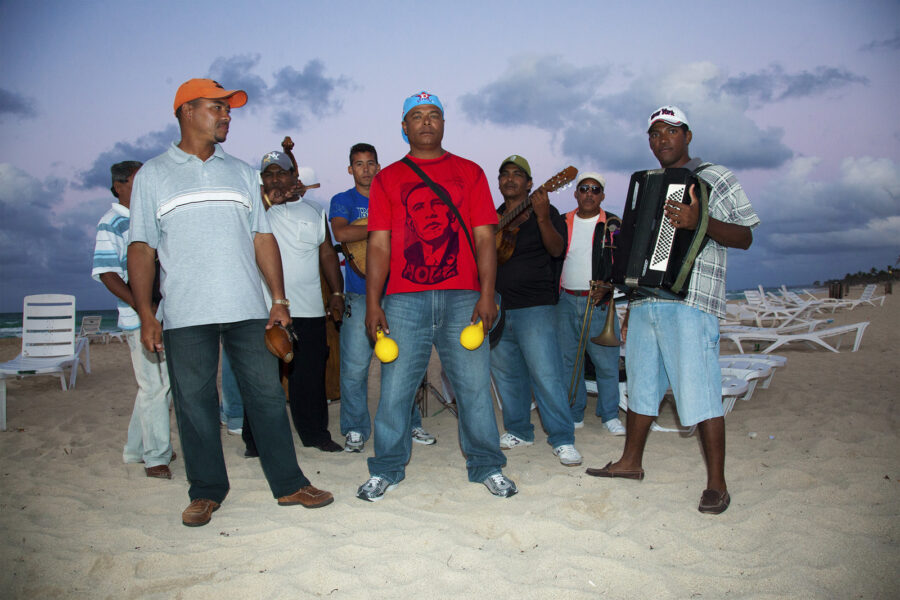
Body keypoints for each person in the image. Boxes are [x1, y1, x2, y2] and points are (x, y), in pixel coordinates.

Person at [127, 78, 333, 527]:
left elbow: (262, 237)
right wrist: (146, 313)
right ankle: (205, 492)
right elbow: (141, 247)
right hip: (185, 312)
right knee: (194, 404)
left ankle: (289, 483)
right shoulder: (154, 175)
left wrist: (278, 299)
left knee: (267, 397)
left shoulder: (241, 172)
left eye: (229, 109)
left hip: (248, 309)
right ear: (186, 111)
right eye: (217, 107)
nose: (227, 116)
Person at [586, 105, 759, 515]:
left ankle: (717, 484)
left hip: (691, 302)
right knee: (642, 386)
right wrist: (625, 290)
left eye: (670, 131)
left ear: (688, 135)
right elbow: (639, 249)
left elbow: (745, 237)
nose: (661, 140)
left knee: (700, 391)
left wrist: (701, 222)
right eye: (654, 133)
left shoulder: (716, 176)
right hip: (647, 301)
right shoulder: (646, 184)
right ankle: (630, 462)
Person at [358, 91, 515, 501]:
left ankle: (487, 465)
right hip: (404, 299)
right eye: (417, 116)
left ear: (443, 123)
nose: (426, 122)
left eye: (433, 115)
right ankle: (387, 468)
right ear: (404, 127)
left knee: (474, 387)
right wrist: (373, 302)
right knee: (395, 390)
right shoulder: (388, 179)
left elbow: (485, 238)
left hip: (463, 296)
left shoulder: (470, 172)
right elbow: (378, 244)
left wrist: (486, 294)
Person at [329, 143, 434, 453]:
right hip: (359, 293)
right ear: (350, 169)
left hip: (398, 293)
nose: (365, 169)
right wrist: (382, 227)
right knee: (355, 367)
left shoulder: (393, 197)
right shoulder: (343, 200)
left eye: (370, 163)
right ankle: (355, 429)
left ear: (378, 166)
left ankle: (410, 423)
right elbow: (341, 234)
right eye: (359, 164)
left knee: (404, 365)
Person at [240, 149, 344, 454]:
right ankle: (255, 442)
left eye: (281, 173)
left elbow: (327, 252)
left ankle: (315, 434)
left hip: (309, 310)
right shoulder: (255, 209)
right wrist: (267, 200)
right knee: (261, 378)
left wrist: (337, 293)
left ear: (294, 177)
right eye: (268, 175)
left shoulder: (315, 211)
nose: (275, 179)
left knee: (310, 376)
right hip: (264, 309)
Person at [490, 155, 582, 466]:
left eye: (518, 174)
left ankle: (562, 438)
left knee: (546, 375)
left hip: (536, 307)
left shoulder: (548, 212)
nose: (510, 179)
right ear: (499, 182)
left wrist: (542, 217)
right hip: (499, 307)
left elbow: (557, 250)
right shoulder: (493, 217)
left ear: (530, 183)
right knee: (508, 376)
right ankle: (519, 431)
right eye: (504, 174)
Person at [91, 160, 175, 479]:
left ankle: (136, 448)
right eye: (138, 181)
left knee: (158, 385)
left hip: (164, 314)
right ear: (119, 186)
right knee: (154, 386)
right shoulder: (111, 222)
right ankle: (156, 457)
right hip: (139, 317)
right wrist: (143, 308)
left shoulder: (152, 219)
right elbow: (107, 273)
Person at [555, 171, 625, 435]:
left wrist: (609, 285)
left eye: (595, 189)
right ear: (576, 193)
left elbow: (626, 263)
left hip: (599, 303)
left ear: (602, 195)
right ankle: (574, 412)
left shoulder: (614, 225)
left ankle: (610, 415)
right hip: (565, 300)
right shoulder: (562, 222)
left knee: (606, 362)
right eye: (584, 188)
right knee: (569, 362)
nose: (589, 194)